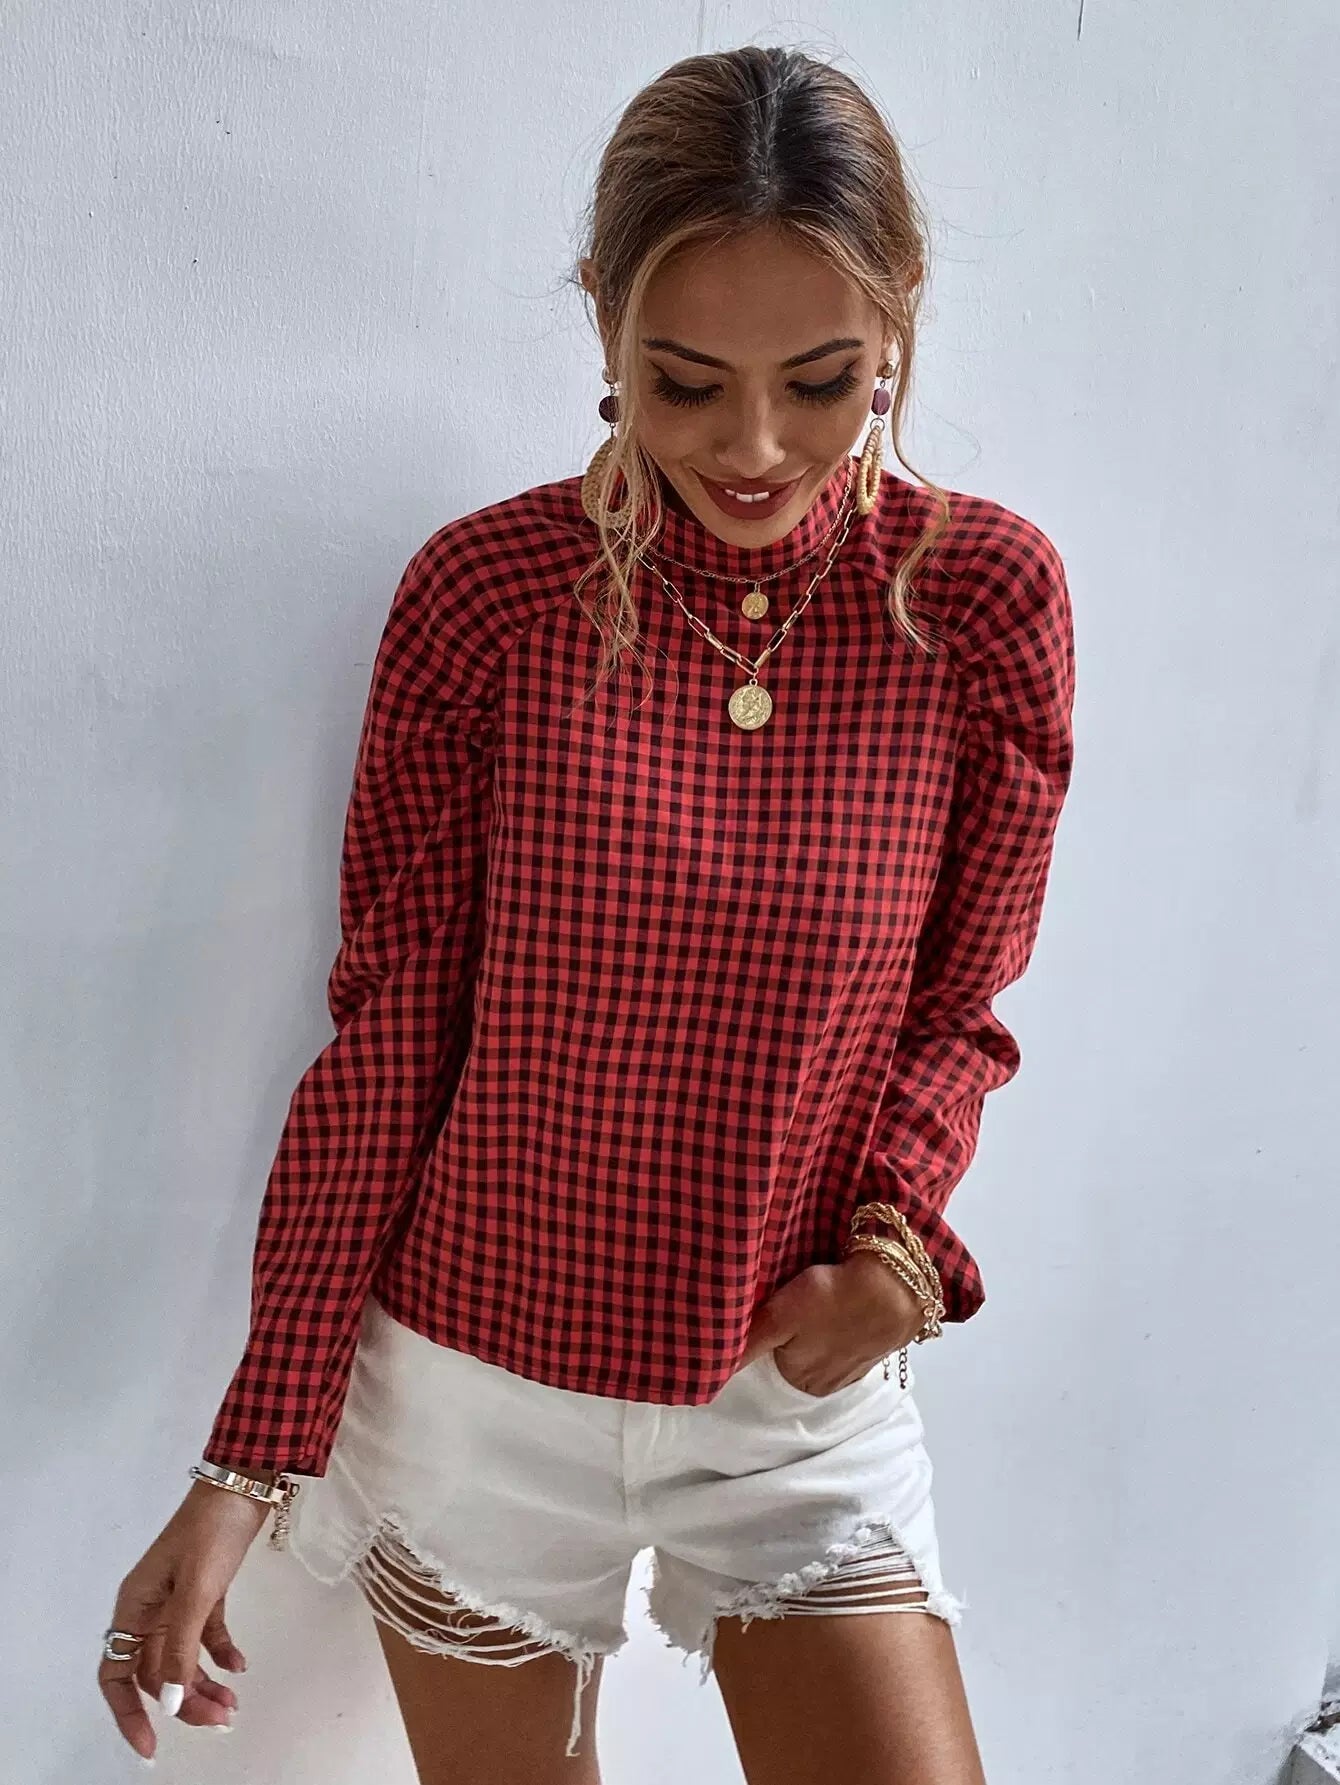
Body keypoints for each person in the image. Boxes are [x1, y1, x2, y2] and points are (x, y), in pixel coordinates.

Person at [99, 43, 1076, 1785]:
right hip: (475, 1391)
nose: (755, 447)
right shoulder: (489, 598)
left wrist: (902, 1248)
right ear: (603, 322)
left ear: (901, 314)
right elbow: (390, 1038)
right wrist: (244, 1465)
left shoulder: (978, 604)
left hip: (787, 1399)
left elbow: (959, 1006)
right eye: (686, 382)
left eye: (823, 381)